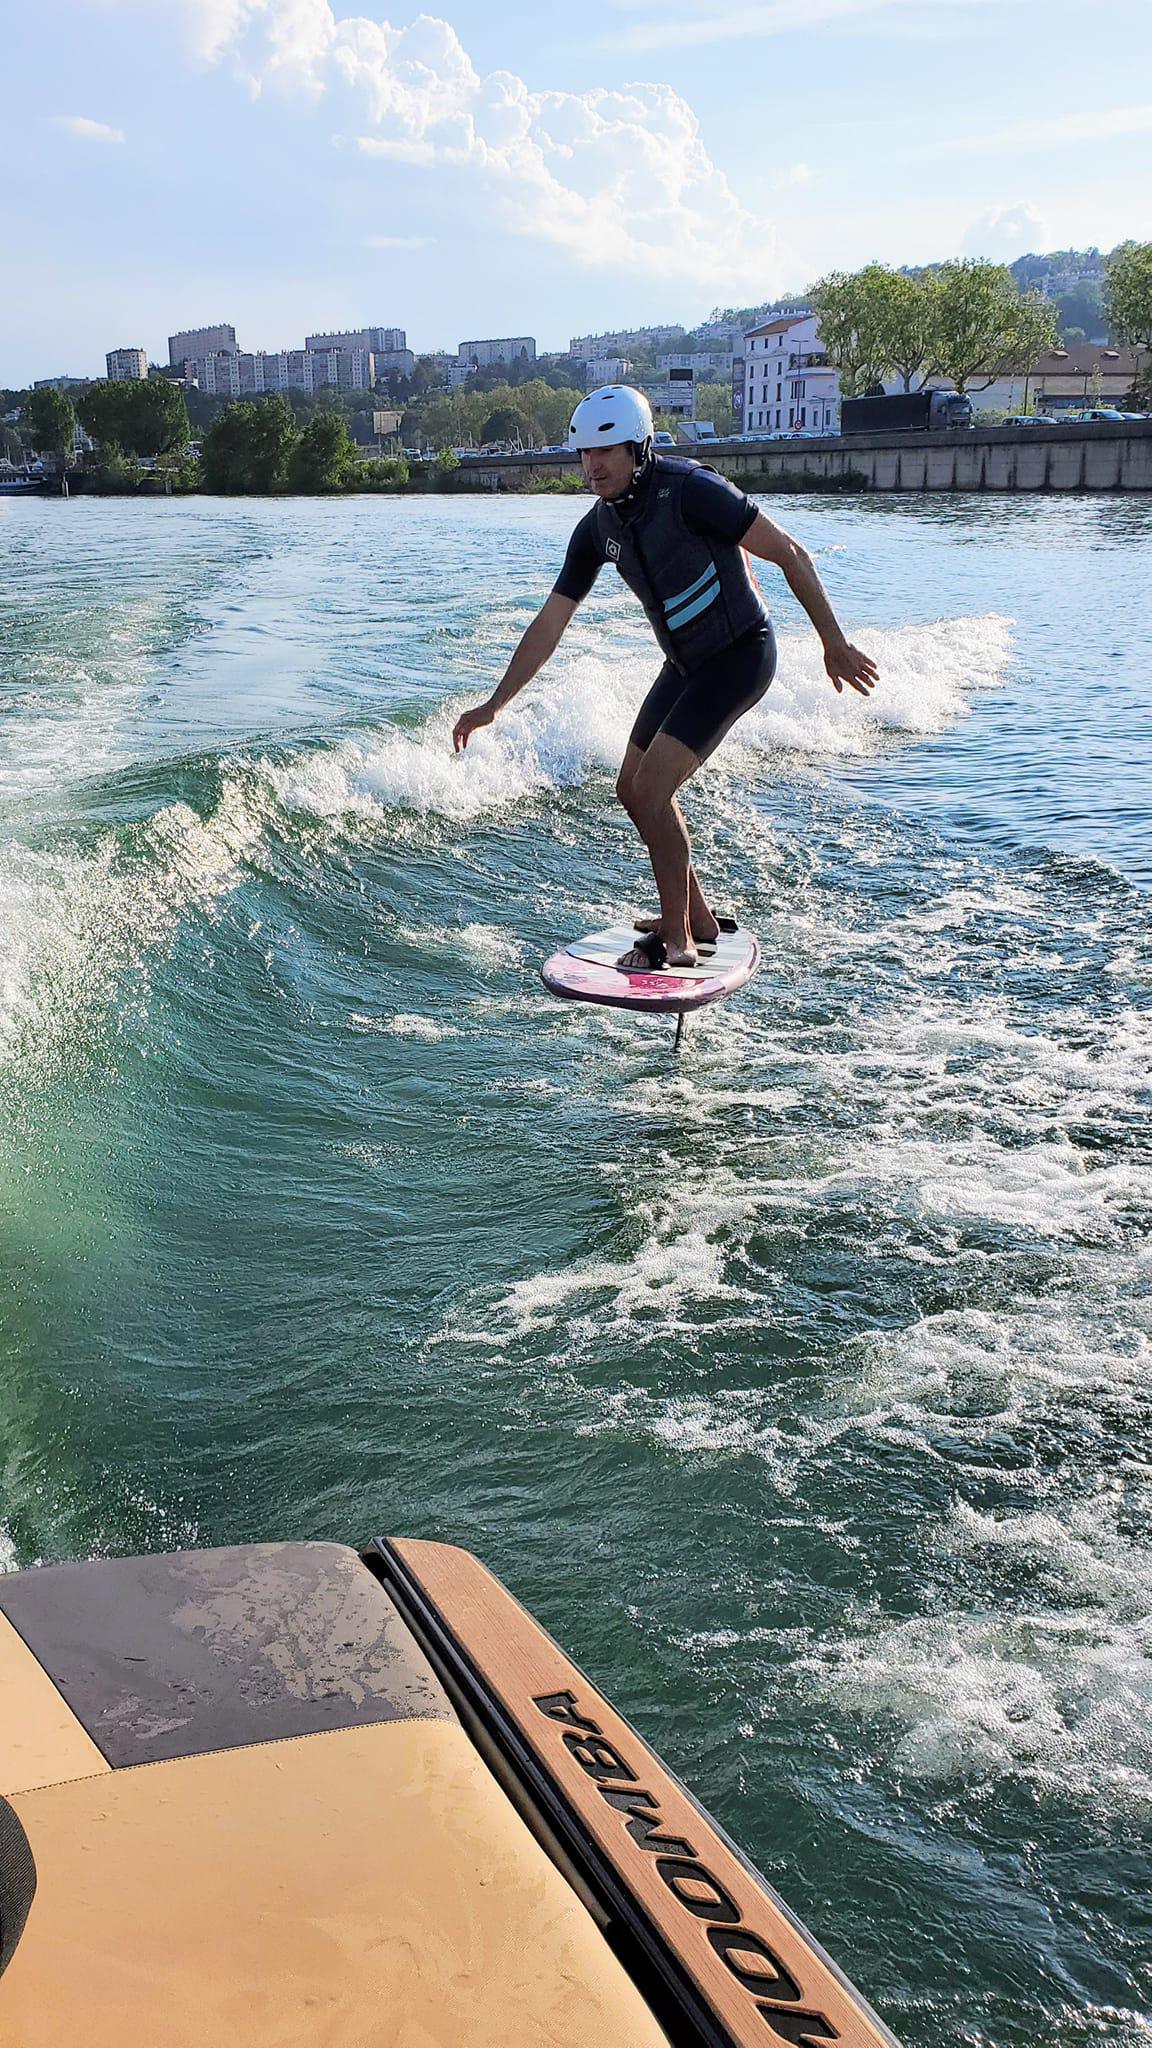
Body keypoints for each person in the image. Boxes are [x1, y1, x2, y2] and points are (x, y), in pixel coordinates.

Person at [452, 386, 878, 969]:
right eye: (584, 454)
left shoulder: (692, 491)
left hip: (739, 656)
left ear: (640, 448)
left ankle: (678, 940)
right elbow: (549, 623)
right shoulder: (597, 528)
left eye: (608, 451)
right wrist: (495, 704)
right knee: (631, 788)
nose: (593, 465)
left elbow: (790, 553)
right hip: (683, 664)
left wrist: (833, 642)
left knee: (654, 789)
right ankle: (696, 915)